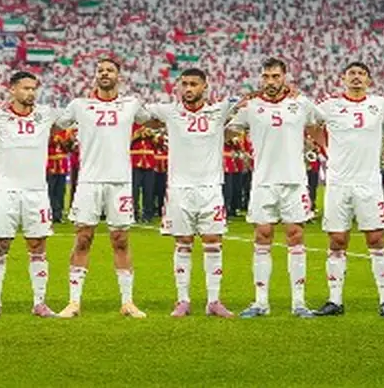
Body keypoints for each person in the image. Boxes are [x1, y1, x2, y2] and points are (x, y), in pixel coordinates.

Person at [55, 57, 149, 318]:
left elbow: (154, 120)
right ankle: (74, 303)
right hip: (89, 181)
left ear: (119, 76)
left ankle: (127, 302)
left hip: (120, 182)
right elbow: (56, 123)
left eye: (110, 70)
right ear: (95, 76)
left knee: (121, 240)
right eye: (100, 70)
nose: (105, 74)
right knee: (83, 238)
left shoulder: (131, 104)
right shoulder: (79, 105)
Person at [310, 61, 384, 319]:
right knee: (337, 241)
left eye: (361, 74)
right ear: (343, 79)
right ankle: (334, 301)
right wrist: (326, 148)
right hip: (338, 183)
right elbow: (310, 125)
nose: (357, 77)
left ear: (369, 80)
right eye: (352, 73)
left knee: (377, 239)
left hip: (368, 183)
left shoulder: (381, 104)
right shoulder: (329, 106)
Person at [229, 58, 316, 319]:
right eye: (266, 76)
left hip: (294, 180)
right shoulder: (251, 106)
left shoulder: (301, 103)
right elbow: (228, 128)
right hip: (263, 181)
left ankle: (299, 302)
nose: (270, 81)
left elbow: (319, 123)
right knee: (262, 235)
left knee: (295, 236)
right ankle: (260, 302)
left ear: (284, 77)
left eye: (275, 76)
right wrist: (236, 106)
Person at [146, 68, 234, 318]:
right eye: (184, 84)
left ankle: (214, 301)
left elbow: (251, 100)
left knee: (213, 242)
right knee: (183, 243)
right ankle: (183, 300)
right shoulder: (168, 111)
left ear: (205, 86)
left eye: (194, 84)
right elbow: (138, 113)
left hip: (211, 188)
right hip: (179, 189)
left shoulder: (219, 110)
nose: (188, 89)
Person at [0, 72, 61, 318]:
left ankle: (40, 302)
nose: (31, 93)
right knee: (0, 245)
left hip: (37, 192)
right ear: (12, 89)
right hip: (6, 191)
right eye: (25, 88)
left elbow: (75, 118)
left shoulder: (46, 114)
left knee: (38, 246)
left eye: (33, 88)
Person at [46, 128, 71, 223]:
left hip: (62, 167)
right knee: (51, 191)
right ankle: (51, 213)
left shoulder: (65, 133)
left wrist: (63, 141)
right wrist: (51, 137)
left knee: (61, 191)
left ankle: (59, 214)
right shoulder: (46, 131)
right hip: (50, 165)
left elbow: (69, 149)